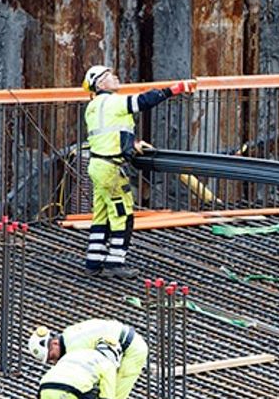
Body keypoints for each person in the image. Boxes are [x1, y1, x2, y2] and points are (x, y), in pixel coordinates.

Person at [82, 66, 195, 278]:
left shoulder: (93, 107)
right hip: (110, 168)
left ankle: (93, 262)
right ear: (100, 84)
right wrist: (175, 89)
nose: (115, 77)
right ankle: (116, 263)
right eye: (109, 76)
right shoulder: (112, 101)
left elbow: (109, 133)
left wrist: (131, 143)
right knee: (122, 215)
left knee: (101, 215)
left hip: (98, 165)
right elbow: (143, 101)